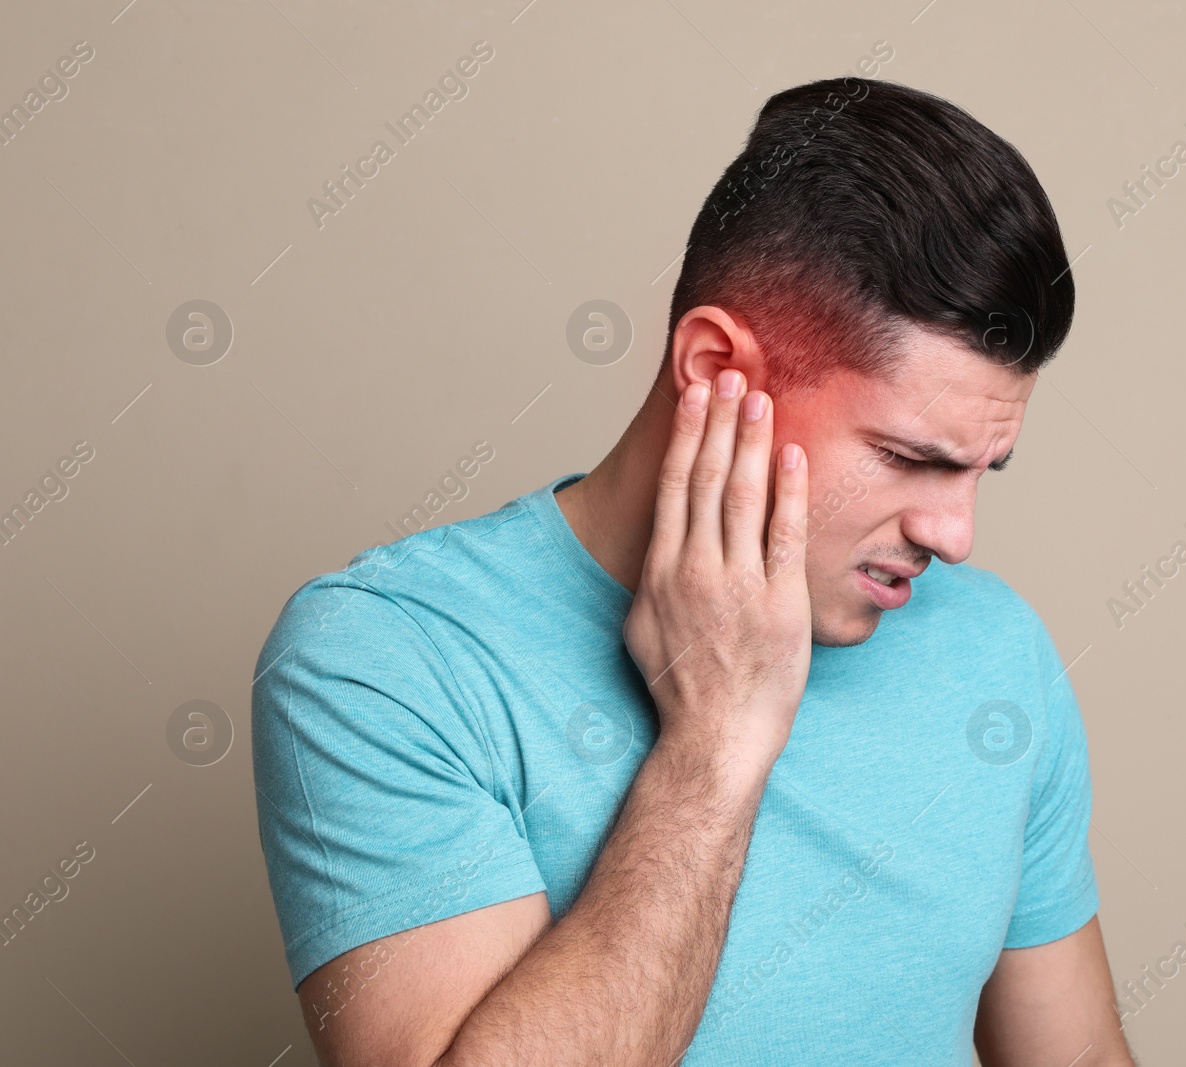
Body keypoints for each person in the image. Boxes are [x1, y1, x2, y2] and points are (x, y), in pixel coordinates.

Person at [252, 76, 1137, 1067]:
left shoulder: (994, 650)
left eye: (981, 469)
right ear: (719, 369)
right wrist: (716, 743)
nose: (956, 532)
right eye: (908, 456)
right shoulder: (388, 657)